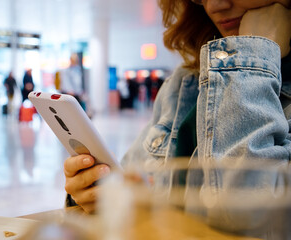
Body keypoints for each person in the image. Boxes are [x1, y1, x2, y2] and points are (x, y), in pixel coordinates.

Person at [64, 0, 291, 237]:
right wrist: (94, 194)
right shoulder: (185, 82)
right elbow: (131, 183)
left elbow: (246, 220)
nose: (214, 6)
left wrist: (249, 58)